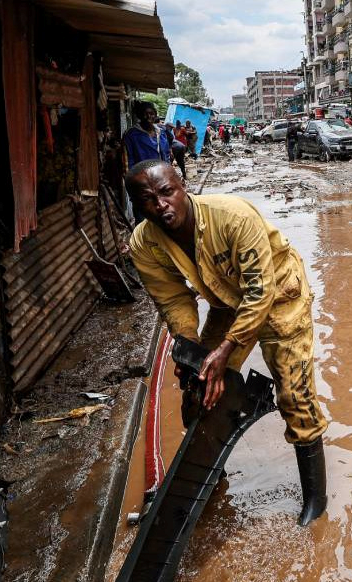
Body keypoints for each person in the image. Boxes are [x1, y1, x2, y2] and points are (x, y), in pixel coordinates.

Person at [125, 160, 329, 525]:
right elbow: (173, 300)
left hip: (280, 295)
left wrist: (226, 348)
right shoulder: (143, 244)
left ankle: (316, 500)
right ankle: (210, 482)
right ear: (137, 206)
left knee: (295, 395)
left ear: (182, 186)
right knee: (199, 388)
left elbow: (260, 292)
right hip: (227, 301)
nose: (161, 205)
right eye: (148, 200)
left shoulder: (233, 217)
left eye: (167, 192)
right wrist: (190, 350)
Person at [121, 101, 171, 170]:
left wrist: (168, 170)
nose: (148, 116)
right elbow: (128, 160)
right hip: (142, 174)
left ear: (155, 115)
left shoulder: (161, 133)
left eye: (151, 114)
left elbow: (166, 154)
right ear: (139, 116)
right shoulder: (131, 134)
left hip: (161, 172)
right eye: (144, 114)